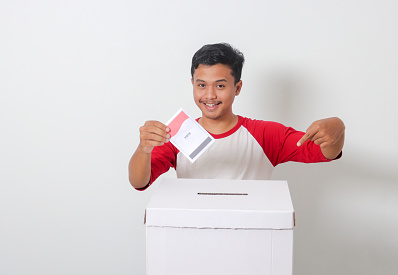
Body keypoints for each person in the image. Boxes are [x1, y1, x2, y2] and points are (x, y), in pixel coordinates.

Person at [129, 43, 345, 190]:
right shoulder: (177, 134)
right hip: (194, 238)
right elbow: (139, 181)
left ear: (237, 87)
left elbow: (324, 152)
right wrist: (143, 149)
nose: (210, 95)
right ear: (192, 84)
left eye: (220, 85)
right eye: (201, 85)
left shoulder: (265, 134)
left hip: (251, 240)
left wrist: (338, 128)